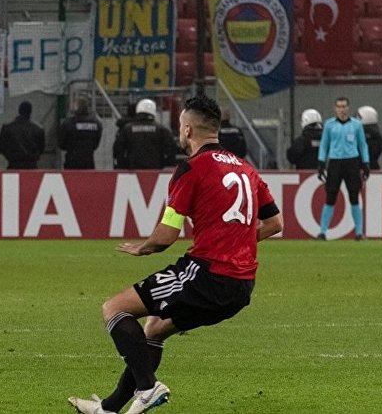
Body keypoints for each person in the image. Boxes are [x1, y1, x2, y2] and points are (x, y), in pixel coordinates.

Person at [67, 95, 283, 414]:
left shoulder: (191, 169)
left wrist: (143, 247)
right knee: (154, 328)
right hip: (241, 285)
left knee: (114, 309)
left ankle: (148, 387)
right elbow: (275, 223)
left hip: (207, 274)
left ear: (186, 129)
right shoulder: (246, 169)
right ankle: (110, 409)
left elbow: (167, 235)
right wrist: (236, 243)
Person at [317, 97, 369, 240]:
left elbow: (362, 145)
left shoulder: (357, 125)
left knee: (354, 196)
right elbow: (324, 144)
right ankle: (322, 232)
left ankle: (359, 233)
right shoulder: (329, 125)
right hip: (335, 163)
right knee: (330, 196)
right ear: (335, 108)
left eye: (344, 106)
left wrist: (366, 163)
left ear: (348, 108)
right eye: (339, 106)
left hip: (352, 162)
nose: (342, 109)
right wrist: (321, 162)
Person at [113, 99, 177, 170]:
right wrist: (166, 164)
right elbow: (171, 149)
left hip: (132, 171)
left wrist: (122, 166)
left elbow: (118, 149)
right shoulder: (162, 129)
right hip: (156, 172)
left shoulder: (126, 129)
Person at [0, 101, 45, 169]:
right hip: (31, 166)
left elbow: (2, 147)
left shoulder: (7, 128)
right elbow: (41, 149)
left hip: (13, 165)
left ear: (19, 111)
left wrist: (10, 157)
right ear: (30, 111)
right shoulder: (39, 129)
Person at [58, 97, 103, 169]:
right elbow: (96, 144)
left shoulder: (68, 123)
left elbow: (61, 144)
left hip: (71, 162)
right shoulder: (96, 123)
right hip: (89, 161)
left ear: (76, 107)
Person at [357, 106, 382, 170]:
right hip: (372, 167)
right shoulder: (376, 134)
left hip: (360, 168)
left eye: (359, 116)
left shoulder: (368, 134)